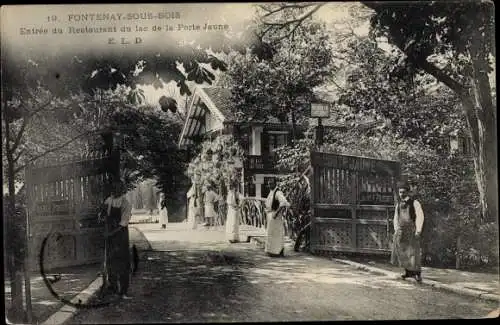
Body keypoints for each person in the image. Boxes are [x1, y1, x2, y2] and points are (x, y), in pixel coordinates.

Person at [104, 180, 133, 299]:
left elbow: (123, 223)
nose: (114, 190)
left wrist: (110, 234)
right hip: (110, 234)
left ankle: (123, 291)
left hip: (120, 235)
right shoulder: (109, 200)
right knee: (110, 261)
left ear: (121, 190)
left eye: (117, 188)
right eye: (113, 188)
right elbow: (105, 215)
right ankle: (113, 287)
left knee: (122, 262)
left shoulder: (126, 203)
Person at [391, 181, 425, 283]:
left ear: (408, 192)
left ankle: (417, 274)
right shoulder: (398, 204)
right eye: (400, 192)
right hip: (401, 231)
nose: (402, 194)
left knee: (413, 253)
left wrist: (418, 230)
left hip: (411, 231)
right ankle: (408, 272)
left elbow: (420, 216)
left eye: (404, 192)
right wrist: (396, 229)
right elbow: (396, 218)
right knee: (403, 253)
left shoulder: (415, 203)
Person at [264, 178, 290, 257]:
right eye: (269, 184)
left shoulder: (278, 192)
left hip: (275, 216)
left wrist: (276, 213)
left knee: (276, 233)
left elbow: (283, 203)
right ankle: (272, 251)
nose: (269, 185)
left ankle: (277, 251)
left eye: (271, 183)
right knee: (271, 233)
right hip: (270, 214)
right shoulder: (271, 192)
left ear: (275, 184)